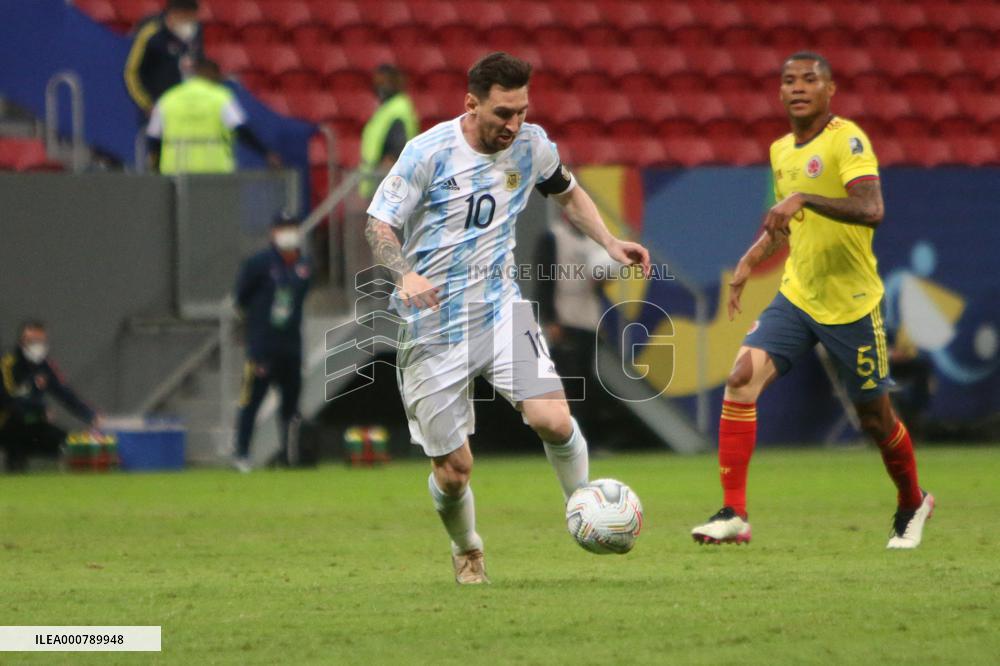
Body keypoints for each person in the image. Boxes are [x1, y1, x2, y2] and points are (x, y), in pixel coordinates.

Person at [365, 52, 650, 584]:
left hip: (500, 311)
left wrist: (610, 241)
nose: (513, 125)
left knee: (554, 420)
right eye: (502, 113)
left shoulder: (533, 146)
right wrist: (404, 272)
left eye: (521, 111)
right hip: (432, 328)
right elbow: (379, 224)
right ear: (471, 104)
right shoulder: (427, 153)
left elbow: (567, 192)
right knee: (455, 473)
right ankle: (467, 546)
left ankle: (583, 511)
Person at [690, 52, 933, 550]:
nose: (798, 87)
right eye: (789, 80)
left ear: (830, 89)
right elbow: (786, 225)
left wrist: (802, 197)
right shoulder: (782, 150)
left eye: (810, 79)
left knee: (875, 419)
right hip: (797, 296)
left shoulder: (847, 139)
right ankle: (734, 512)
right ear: (779, 92)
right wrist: (751, 257)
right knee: (740, 379)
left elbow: (872, 208)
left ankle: (913, 501)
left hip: (852, 306)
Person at [232, 214, 311, 472]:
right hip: (263, 348)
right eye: (284, 228)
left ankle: (289, 456)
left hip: (291, 348)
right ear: (273, 232)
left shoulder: (304, 265)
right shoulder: (259, 263)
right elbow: (241, 298)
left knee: (290, 407)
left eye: (293, 228)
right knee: (251, 402)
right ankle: (241, 454)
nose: (289, 233)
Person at [146, 58, 280, 174]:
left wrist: (155, 165)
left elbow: (153, 137)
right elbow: (241, 130)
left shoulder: (168, 98)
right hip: (213, 173)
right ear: (211, 73)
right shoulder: (221, 97)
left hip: (174, 171)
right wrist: (266, 153)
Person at [0, 321, 101, 472]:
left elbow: (65, 394)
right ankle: (16, 462)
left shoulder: (45, 366)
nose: (37, 345)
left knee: (65, 442)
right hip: (7, 424)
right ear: (22, 341)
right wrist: (39, 411)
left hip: (34, 423)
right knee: (18, 427)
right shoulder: (8, 364)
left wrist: (91, 416)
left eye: (40, 341)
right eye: (32, 341)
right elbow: (6, 400)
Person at [124, 0, 203, 117]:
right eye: (186, 18)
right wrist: (147, 104)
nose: (190, 23)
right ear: (173, 14)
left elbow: (199, 64)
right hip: (158, 109)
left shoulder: (195, 30)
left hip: (188, 109)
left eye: (192, 18)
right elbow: (131, 72)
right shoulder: (151, 34)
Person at [359, 64, 419, 199]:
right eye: (377, 83)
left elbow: (395, 152)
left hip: (385, 186)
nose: (380, 87)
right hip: (375, 184)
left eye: (384, 82)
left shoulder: (398, 109)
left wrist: (383, 189)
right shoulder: (387, 108)